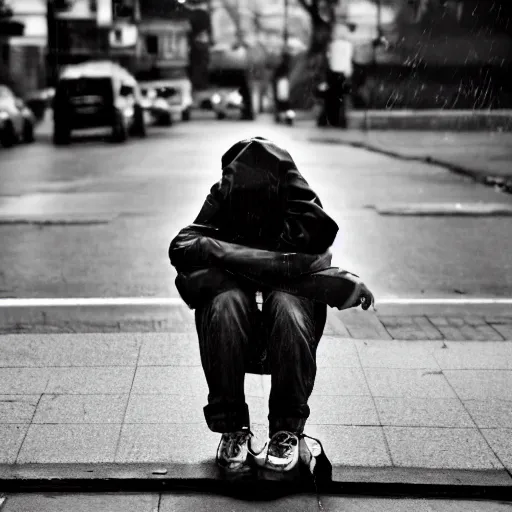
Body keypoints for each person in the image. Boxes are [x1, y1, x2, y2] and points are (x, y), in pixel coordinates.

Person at [169, 137, 374, 476]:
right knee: (224, 301)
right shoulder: (225, 194)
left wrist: (230, 256)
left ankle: (287, 430)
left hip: (288, 323)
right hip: (235, 327)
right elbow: (183, 245)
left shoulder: (298, 203)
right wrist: (234, 255)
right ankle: (232, 427)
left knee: (287, 303)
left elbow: (310, 259)